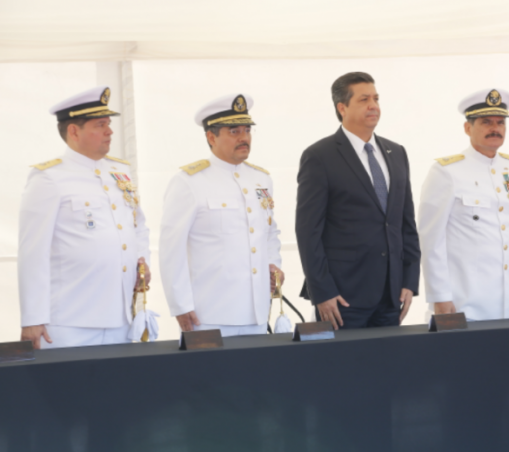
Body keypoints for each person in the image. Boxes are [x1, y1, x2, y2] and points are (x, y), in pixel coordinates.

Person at [18, 86, 151, 349]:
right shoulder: (49, 178)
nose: (109, 131)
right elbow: (32, 252)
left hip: (120, 316)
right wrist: (32, 318)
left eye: (109, 124)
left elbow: (139, 226)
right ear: (74, 131)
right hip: (69, 320)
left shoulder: (119, 172)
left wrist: (142, 261)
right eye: (100, 125)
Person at [295, 72, 420, 330]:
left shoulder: (396, 152)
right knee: (344, 358)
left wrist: (409, 280)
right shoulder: (319, 156)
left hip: (391, 294)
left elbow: (406, 223)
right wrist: (322, 291)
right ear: (342, 108)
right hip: (342, 298)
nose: (373, 105)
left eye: (376, 98)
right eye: (364, 100)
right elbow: (308, 232)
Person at [159, 93, 283, 337]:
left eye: (247, 130)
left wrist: (273, 264)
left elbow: (269, 232)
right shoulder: (189, 182)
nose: (243, 137)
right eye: (234, 131)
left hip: (257, 311)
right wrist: (180, 305)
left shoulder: (261, 179)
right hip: (209, 313)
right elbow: (171, 249)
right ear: (211, 137)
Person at [419, 88, 509, 320]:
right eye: (486, 122)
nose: (495, 128)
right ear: (467, 128)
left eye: (500, 122)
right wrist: (439, 296)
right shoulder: (446, 171)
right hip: (466, 302)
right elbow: (431, 239)